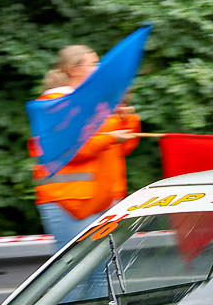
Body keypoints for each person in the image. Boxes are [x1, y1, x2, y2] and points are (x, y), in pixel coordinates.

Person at [30, 44, 140, 252]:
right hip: (71, 200)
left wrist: (127, 119)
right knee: (74, 266)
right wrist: (110, 137)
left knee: (102, 267)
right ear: (74, 69)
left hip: (103, 199)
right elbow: (71, 151)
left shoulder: (95, 105)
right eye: (94, 64)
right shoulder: (55, 104)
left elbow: (123, 148)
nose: (100, 69)